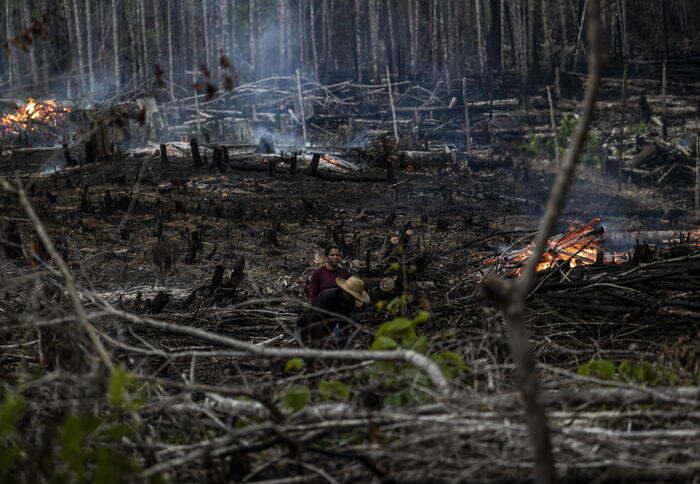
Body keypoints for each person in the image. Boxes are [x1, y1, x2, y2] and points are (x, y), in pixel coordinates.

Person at [295, 276, 370, 348]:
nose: (354, 299)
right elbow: (315, 321)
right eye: (353, 296)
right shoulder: (327, 297)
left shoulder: (349, 302)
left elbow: (344, 323)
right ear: (346, 292)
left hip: (328, 327)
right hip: (308, 327)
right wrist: (327, 338)